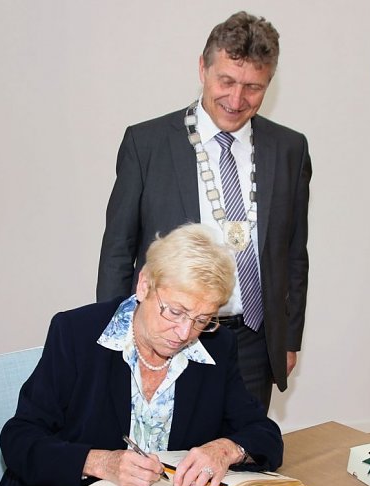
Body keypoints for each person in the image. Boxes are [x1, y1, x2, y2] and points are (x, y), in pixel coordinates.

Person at [96, 12, 311, 411]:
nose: (236, 99)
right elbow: (117, 251)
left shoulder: (290, 149)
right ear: (202, 67)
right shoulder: (147, 144)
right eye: (226, 81)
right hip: (167, 336)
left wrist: (288, 338)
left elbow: (294, 256)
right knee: (162, 463)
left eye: (253, 88)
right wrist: (116, 334)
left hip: (253, 343)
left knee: (242, 461)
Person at [0, 224, 283, 486]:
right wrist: (99, 462)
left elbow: (265, 434)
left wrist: (225, 450)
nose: (184, 333)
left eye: (202, 319)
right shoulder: (76, 334)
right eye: (175, 311)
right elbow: (19, 438)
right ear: (144, 285)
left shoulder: (217, 347)